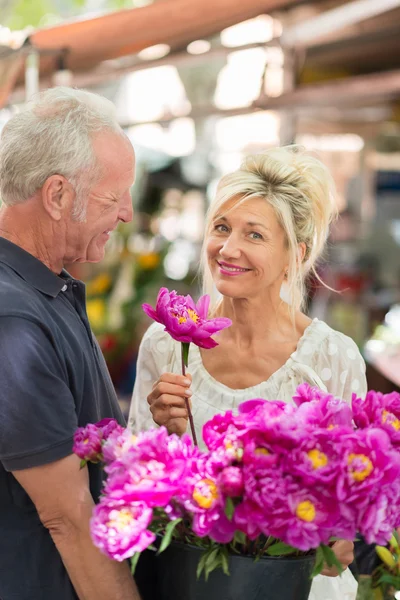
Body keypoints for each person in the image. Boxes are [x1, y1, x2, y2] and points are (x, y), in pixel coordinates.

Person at [129, 146, 367, 600]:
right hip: (187, 582)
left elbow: (347, 512)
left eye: (254, 235)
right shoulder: (167, 343)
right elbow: (136, 484)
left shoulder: (331, 357)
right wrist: (167, 433)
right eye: (221, 227)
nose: (228, 248)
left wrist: (339, 530)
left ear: (293, 254)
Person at [0, 88, 140, 600]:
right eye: (114, 195)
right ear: (57, 195)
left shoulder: (44, 286)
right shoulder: (12, 318)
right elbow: (68, 517)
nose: (126, 213)